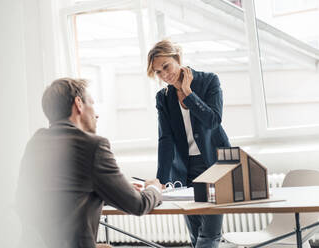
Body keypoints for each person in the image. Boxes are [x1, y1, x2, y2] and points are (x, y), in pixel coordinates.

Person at [16, 78, 162, 248]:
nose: (96, 114)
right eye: (92, 103)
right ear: (78, 103)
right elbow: (138, 205)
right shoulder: (93, 145)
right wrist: (154, 188)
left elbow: (56, 195)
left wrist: (112, 188)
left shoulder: (36, 141)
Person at [147, 40, 231, 248]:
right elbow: (165, 139)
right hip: (184, 170)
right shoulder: (163, 98)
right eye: (158, 72)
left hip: (214, 165)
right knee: (195, 234)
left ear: (177, 58)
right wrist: (162, 179)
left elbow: (213, 120)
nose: (164, 75)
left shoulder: (209, 81)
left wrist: (188, 93)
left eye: (166, 66)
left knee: (210, 233)